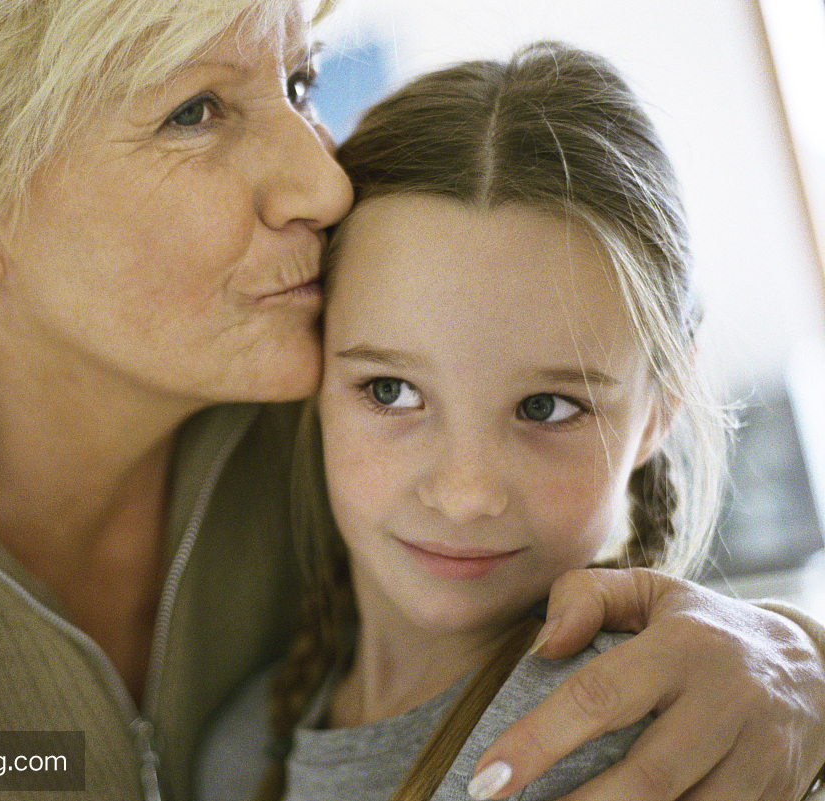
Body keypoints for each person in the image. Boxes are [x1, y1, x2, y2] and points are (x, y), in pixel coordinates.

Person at [0, 1, 823, 799]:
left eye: (298, 79)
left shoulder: (333, 373)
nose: (322, 177)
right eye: (194, 111)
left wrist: (802, 661)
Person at [195, 41, 752, 801]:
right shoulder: (240, 745)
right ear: (313, 366)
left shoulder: (634, 740)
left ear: (662, 405)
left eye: (546, 407)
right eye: (391, 391)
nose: (463, 494)